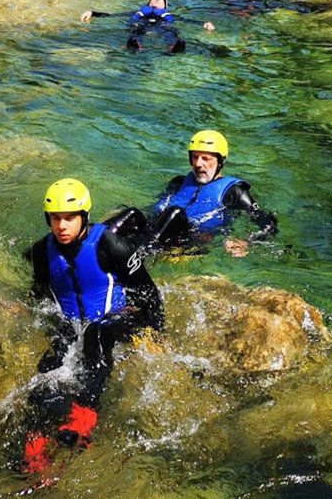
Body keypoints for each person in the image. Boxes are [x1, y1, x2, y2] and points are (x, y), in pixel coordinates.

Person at [22, 179, 164, 476]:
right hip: (72, 323)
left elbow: (149, 294)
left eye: (70, 218)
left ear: (84, 217)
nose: (62, 226)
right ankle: (34, 445)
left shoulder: (109, 243)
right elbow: (40, 295)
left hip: (114, 318)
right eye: (56, 218)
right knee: (50, 365)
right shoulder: (40, 252)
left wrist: (157, 333)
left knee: (96, 335)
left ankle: (84, 416)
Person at [149, 130, 278, 258]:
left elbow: (268, 225)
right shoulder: (178, 183)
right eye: (195, 157)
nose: (198, 164)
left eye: (206, 159)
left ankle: (143, 254)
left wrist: (247, 241)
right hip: (158, 234)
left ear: (220, 162)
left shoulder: (234, 193)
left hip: (191, 244)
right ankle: (135, 248)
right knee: (133, 214)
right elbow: (154, 211)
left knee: (175, 212)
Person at [81, 0, 215, 51]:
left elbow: (187, 20)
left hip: (163, 27)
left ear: (164, 6)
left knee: (171, 32)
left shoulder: (169, 15)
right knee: (135, 31)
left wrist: (204, 24)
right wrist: (93, 13)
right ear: (148, 3)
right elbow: (113, 15)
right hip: (142, 27)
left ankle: (173, 47)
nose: (156, 0)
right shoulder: (139, 13)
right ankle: (135, 44)